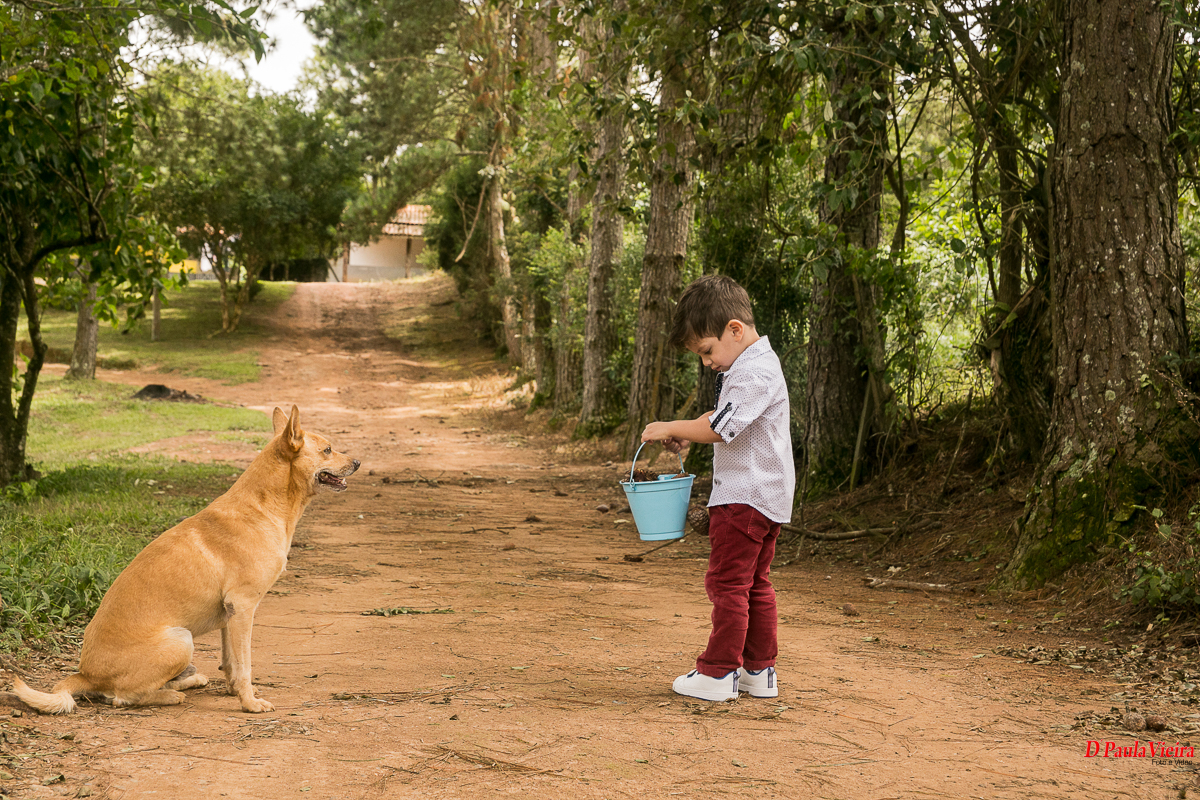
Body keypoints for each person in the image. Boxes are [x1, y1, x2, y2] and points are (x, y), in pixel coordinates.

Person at [640, 274, 795, 701]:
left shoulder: (752, 370)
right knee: (755, 583)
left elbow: (722, 426)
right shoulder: (759, 365)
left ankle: (718, 671)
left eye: (707, 351)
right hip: (767, 498)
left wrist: (673, 425)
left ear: (734, 329)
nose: (707, 362)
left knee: (727, 584)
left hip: (743, 498)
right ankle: (759, 671)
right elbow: (729, 417)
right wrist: (691, 433)